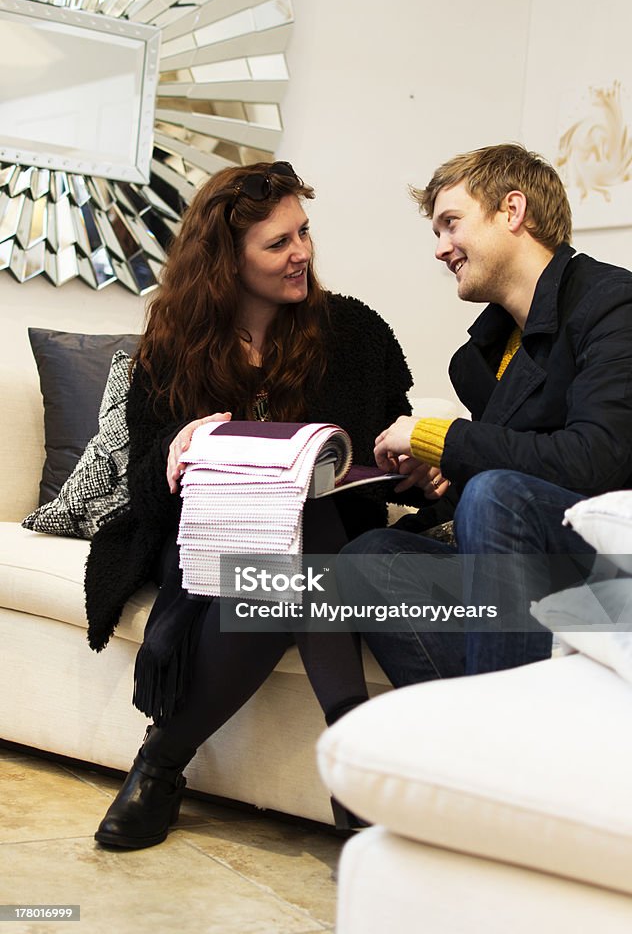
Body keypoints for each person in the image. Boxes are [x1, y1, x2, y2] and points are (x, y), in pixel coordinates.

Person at [84, 161, 414, 849]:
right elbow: (143, 492)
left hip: (318, 538)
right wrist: (178, 446)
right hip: (208, 542)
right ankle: (352, 772)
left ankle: (162, 764)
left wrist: (405, 463)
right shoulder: (172, 352)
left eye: (304, 233)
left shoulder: (352, 333)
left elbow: (390, 433)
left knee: (300, 522)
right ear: (225, 263)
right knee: (284, 547)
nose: (302, 253)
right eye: (277, 244)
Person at [337, 143, 632, 686]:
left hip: (610, 553)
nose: (441, 248)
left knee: (498, 495)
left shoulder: (614, 305)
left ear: (512, 212)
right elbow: (508, 467)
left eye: (451, 224)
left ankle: (499, 738)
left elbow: (595, 462)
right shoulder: (478, 359)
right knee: (369, 556)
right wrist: (439, 479)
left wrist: (442, 438)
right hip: (534, 554)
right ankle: (473, 728)